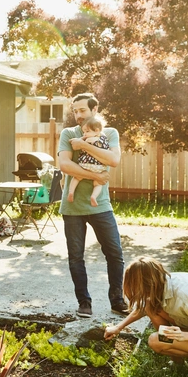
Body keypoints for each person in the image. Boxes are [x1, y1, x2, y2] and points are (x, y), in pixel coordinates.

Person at [58, 92, 129, 318]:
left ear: (94, 110)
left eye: (82, 110)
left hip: (100, 205)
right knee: (76, 257)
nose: (78, 115)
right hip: (73, 208)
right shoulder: (68, 133)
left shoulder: (109, 133)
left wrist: (84, 145)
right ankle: (84, 302)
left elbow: (114, 160)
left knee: (115, 253)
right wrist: (96, 177)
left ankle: (117, 299)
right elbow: (65, 165)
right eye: (75, 110)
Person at [67, 115, 109, 206]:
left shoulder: (90, 139)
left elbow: (80, 143)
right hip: (98, 167)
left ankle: (71, 192)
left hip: (86, 165)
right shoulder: (103, 139)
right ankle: (93, 196)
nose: (84, 134)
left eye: (87, 131)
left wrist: (76, 140)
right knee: (98, 184)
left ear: (97, 131)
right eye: (83, 132)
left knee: (76, 177)